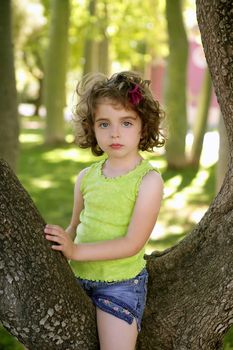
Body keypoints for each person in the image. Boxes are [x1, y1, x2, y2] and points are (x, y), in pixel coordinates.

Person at [44, 71, 165, 350]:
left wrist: (76, 252)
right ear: (92, 128)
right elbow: (76, 226)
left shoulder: (148, 181)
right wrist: (64, 239)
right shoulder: (86, 176)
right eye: (104, 124)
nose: (114, 133)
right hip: (76, 278)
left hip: (119, 285)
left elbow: (132, 244)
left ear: (143, 127)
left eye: (126, 122)